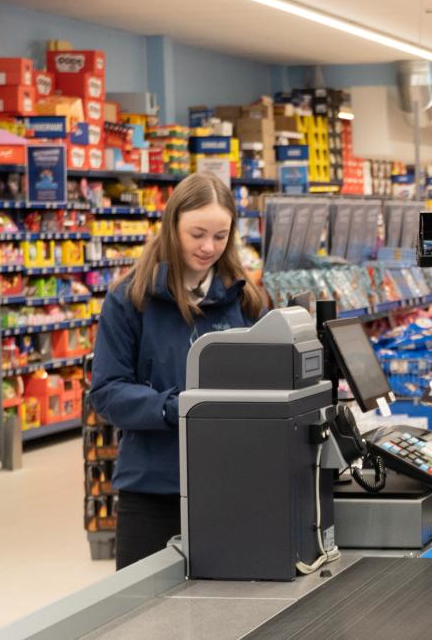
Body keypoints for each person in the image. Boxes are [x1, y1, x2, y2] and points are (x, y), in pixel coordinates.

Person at [89, 172, 265, 570]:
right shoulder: (129, 299)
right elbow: (107, 391)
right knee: (145, 606)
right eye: (197, 234)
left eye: (220, 236)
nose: (208, 247)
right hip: (152, 489)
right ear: (172, 227)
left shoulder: (246, 300)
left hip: (230, 485)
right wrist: (173, 408)